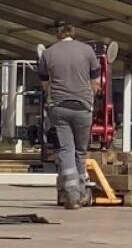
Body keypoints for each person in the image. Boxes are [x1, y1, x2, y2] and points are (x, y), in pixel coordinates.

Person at [38, 24, 101, 209]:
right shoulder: (87, 51)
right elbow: (96, 81)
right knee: (80, 151)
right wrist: (90, 98)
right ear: (74, 35)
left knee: (66, 150)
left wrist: (51, 96)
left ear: (58, 35)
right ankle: (81, 192)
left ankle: (72, 195)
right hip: (83, 106)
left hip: (59, 107)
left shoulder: (48, 53)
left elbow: (44, 83)